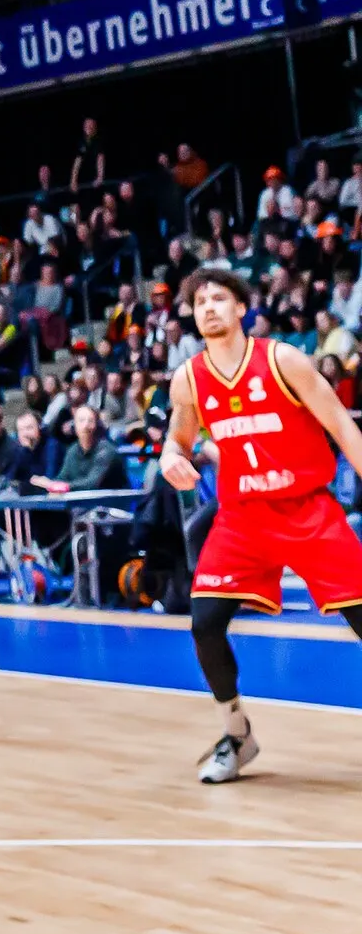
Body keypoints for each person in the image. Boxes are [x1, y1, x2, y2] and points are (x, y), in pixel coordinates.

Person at [159, 266, 362, 782]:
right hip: (242, 519)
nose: (208, 307)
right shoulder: (189, 378)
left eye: (219, 298)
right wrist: (169, 459)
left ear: (241, 307)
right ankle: (237, 735)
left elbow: (340, 422)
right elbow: (178, 439)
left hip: (307, 508)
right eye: (200, 300)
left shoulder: (282, 359)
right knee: (204, 625)